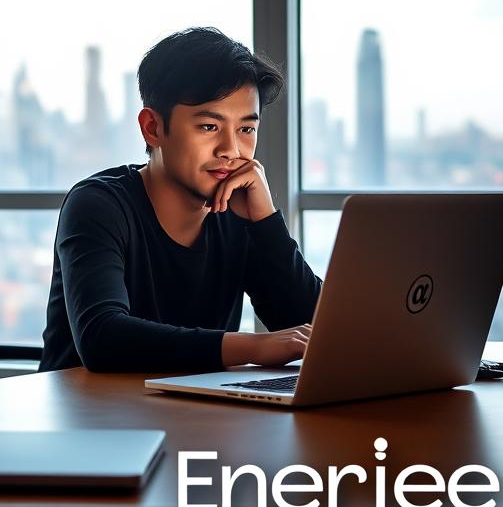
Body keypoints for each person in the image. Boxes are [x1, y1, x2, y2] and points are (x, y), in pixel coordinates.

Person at [40, 27, 322, 373]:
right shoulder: (98, 204)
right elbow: (102, 337)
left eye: (246, 129)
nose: (231, 150)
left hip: (196, 416)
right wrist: (254, 345)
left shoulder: (237, 211)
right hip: (92, 416)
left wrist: (265, 223)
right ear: (153, 128)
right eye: (208, 127)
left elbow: (320, 331)